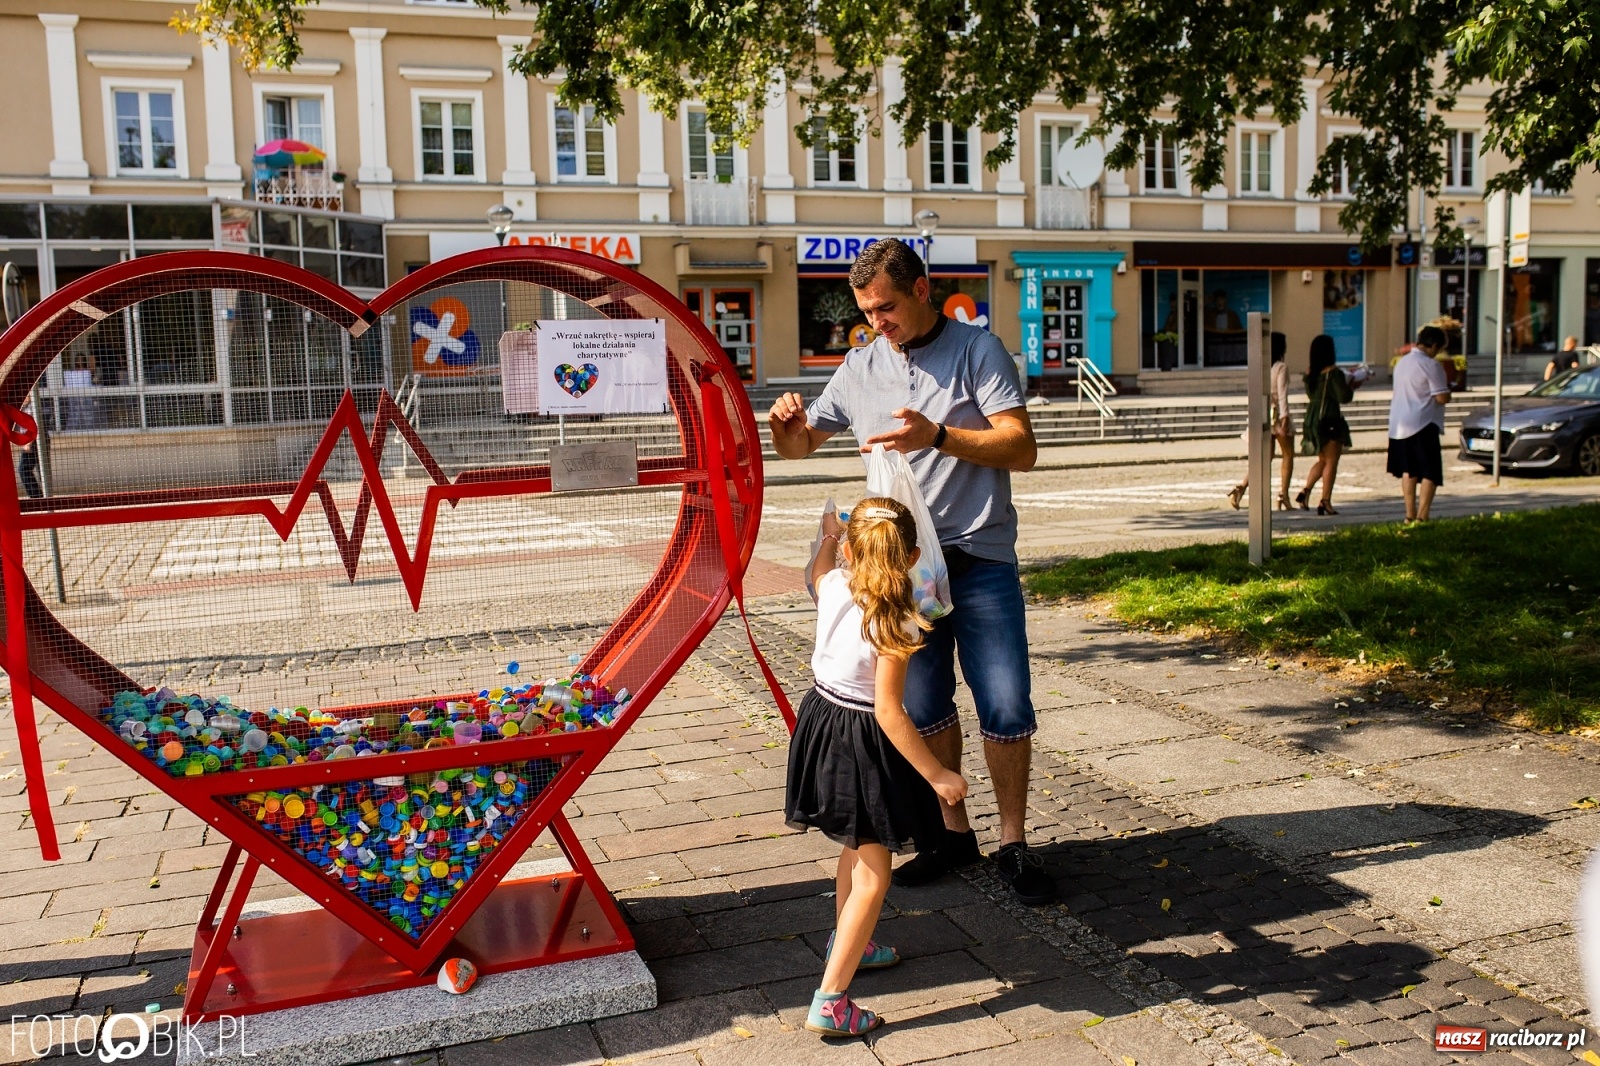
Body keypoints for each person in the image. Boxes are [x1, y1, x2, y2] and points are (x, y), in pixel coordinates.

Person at [767, 238, 1053, 906]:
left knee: (1006, 702)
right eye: (867, 312)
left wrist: (940, 437)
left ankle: (1013, 842)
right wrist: (784, 425)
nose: (878, 323)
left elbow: (1022, 447)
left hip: (978, 556)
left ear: (921, 289)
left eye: (887, 308)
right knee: (922, 705)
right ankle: (953, 833)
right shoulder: (861, 363)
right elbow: (801, 447)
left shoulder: (978, 351)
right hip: (902, 571)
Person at [786, 498, 968, 1037]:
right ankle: (831, 1001)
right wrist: (939, 774)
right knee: (875, 872)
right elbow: (889, 711)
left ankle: (853, 943)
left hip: (821, 721)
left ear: (848, 549)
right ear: (913, 555)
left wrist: (824, 535)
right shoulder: (900, 621)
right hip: (863, 737)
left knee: (857, 841)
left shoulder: (836, 587)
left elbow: (817, 572)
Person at [1388, 326, 1452, 522]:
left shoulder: (1402, 363)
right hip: (1423, 422)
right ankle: (1423, 516)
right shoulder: (1431, 365)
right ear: (1433, 346)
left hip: (1399, 423)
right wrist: (1450, 391)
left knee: (1409, 471)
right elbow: (1441, 397)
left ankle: (1409, 514)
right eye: (1439, 349)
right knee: (1429, 471)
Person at [1228, 331, 1294, 511]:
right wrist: (1285, 417)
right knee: (1288, 455)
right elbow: (1282, 394)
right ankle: (1283, 495)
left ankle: (1241, 487)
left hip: (1262, 414)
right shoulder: (1280, 367)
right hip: (1278, 416)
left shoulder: (1260, 367)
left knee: (1264, 458)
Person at [1295, 334, 1357, 516]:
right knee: (1331, 461)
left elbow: (1311, 394)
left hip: (1312, 418)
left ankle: (1305, 492)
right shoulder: (1333, 373)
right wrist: (1352, 384)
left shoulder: (1310, 373)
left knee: (1322, 460)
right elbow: (1343, 397)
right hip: (1329, 419)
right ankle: (1325, 500)